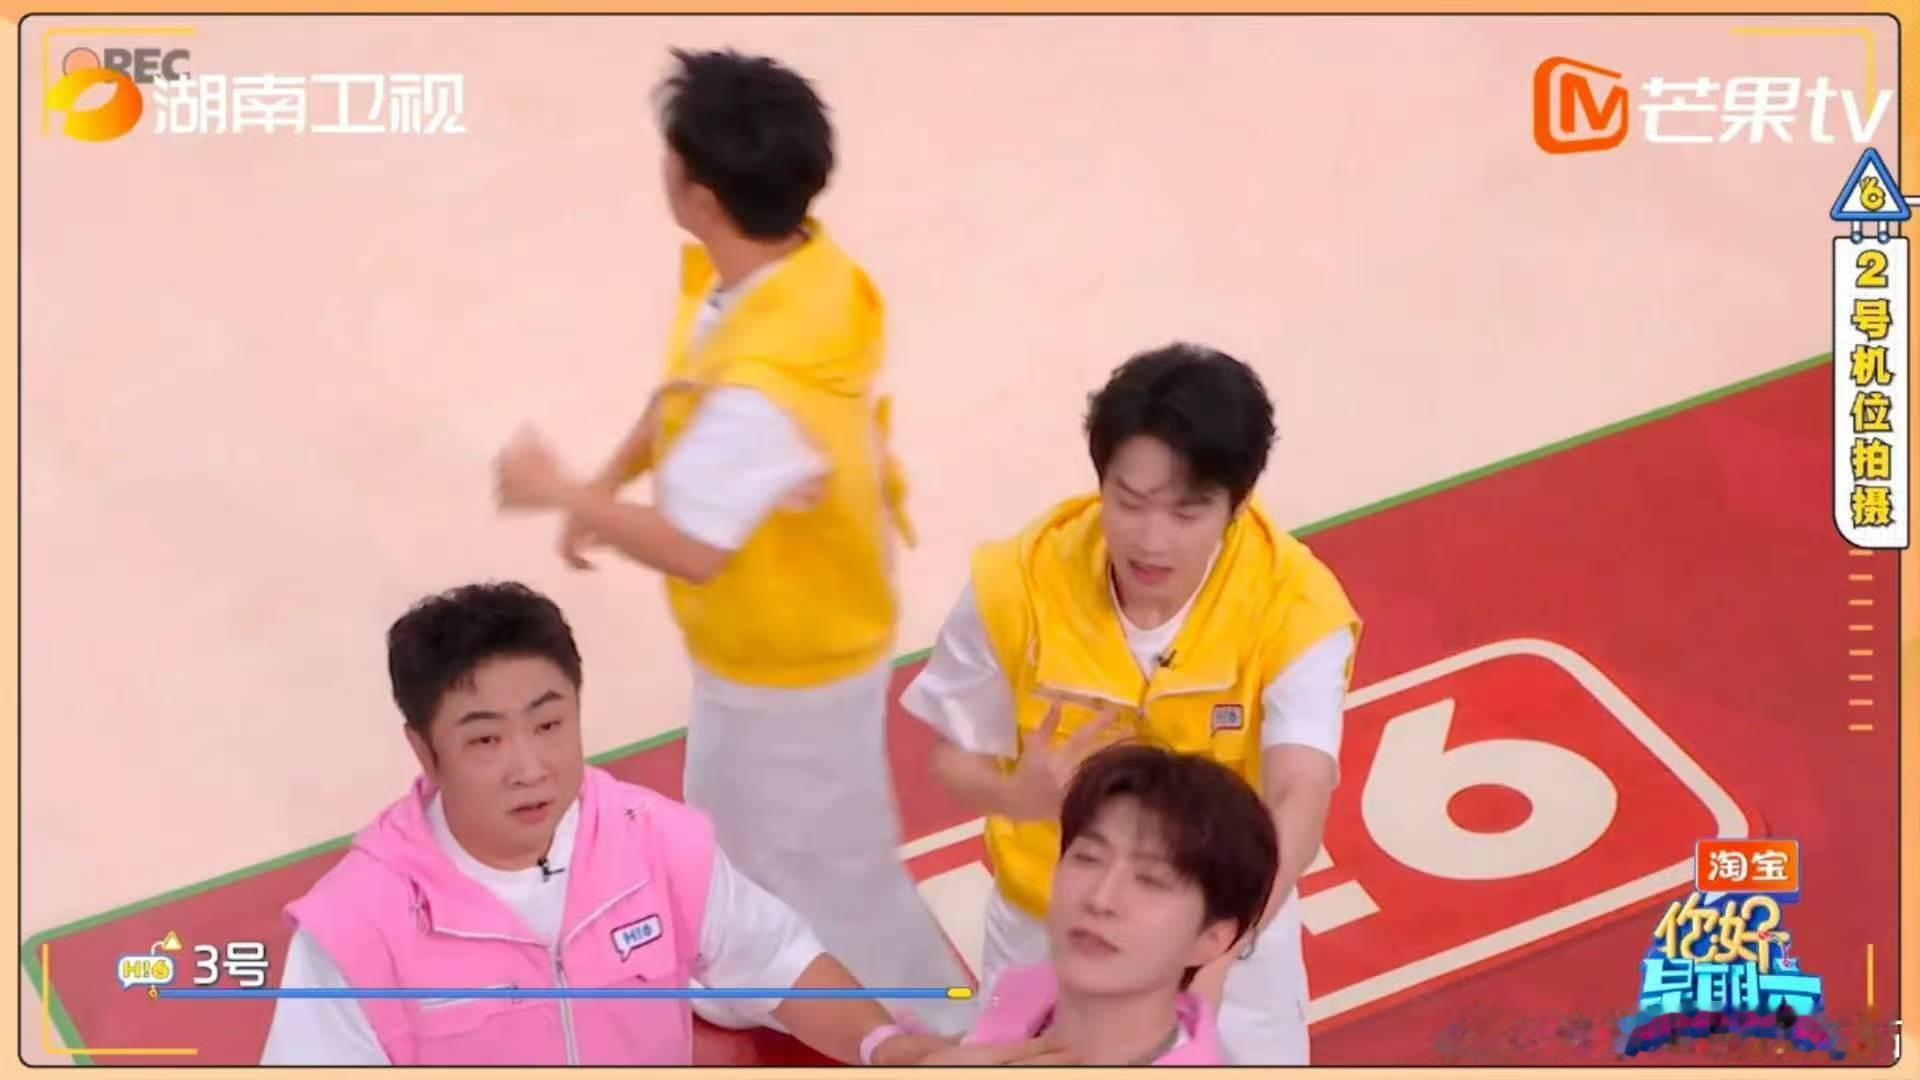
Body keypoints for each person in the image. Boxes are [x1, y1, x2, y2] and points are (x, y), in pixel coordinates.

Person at [490, 47, 969, 1034]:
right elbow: (684, 396)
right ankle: (754, 968)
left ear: (699, 195)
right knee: (736, 830)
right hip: (767, 643)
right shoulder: (790, 276)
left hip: (790, 665)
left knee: (835, 864)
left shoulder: (764, 391)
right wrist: (606, 485)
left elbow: (692, 545)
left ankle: (942, 1030)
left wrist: (559, 490)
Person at [260, 583, 954, 1066]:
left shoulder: (653, 840)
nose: (530, 768)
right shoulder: (357, 929)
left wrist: (884, 1047)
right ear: (424, 751)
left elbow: (775, 961)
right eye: (486, 740)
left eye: (549, 724)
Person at [900, 342, 1361, 1064]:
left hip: (1226, 927)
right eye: (1129, 502)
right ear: (1101, 482)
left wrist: (1217, 953)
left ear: (1237, 505)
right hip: (1055, 923)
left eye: (1187, 512)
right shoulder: (1014, 585)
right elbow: (952, 761)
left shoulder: (1297, 608)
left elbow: (1299, 790)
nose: (1151, 540)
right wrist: (1019, 794)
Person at [963, 743, 1279, 1065]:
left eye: (1151, 880)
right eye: (1088, 858)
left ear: (1211, 940)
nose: (1100, 899)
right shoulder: (1023, 996)